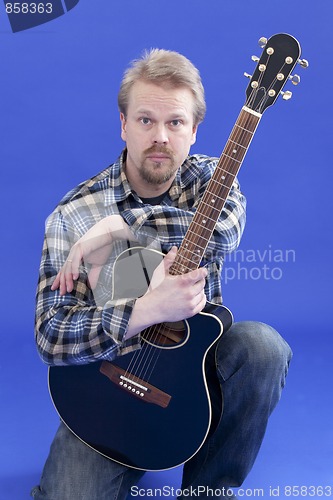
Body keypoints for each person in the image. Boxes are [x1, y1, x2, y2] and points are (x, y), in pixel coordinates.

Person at [32, 49, 292, 499]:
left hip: (189, 369)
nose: (160, 137)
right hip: (106, 386)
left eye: (175, 123)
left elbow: (220, 235)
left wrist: (122, 225)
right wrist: (144, 310)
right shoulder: (74, 214)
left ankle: (208, 490)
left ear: (194, 131)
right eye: (145, 120)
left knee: (263, 347)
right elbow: (51, 335)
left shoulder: (214, 179)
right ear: (123, 125)